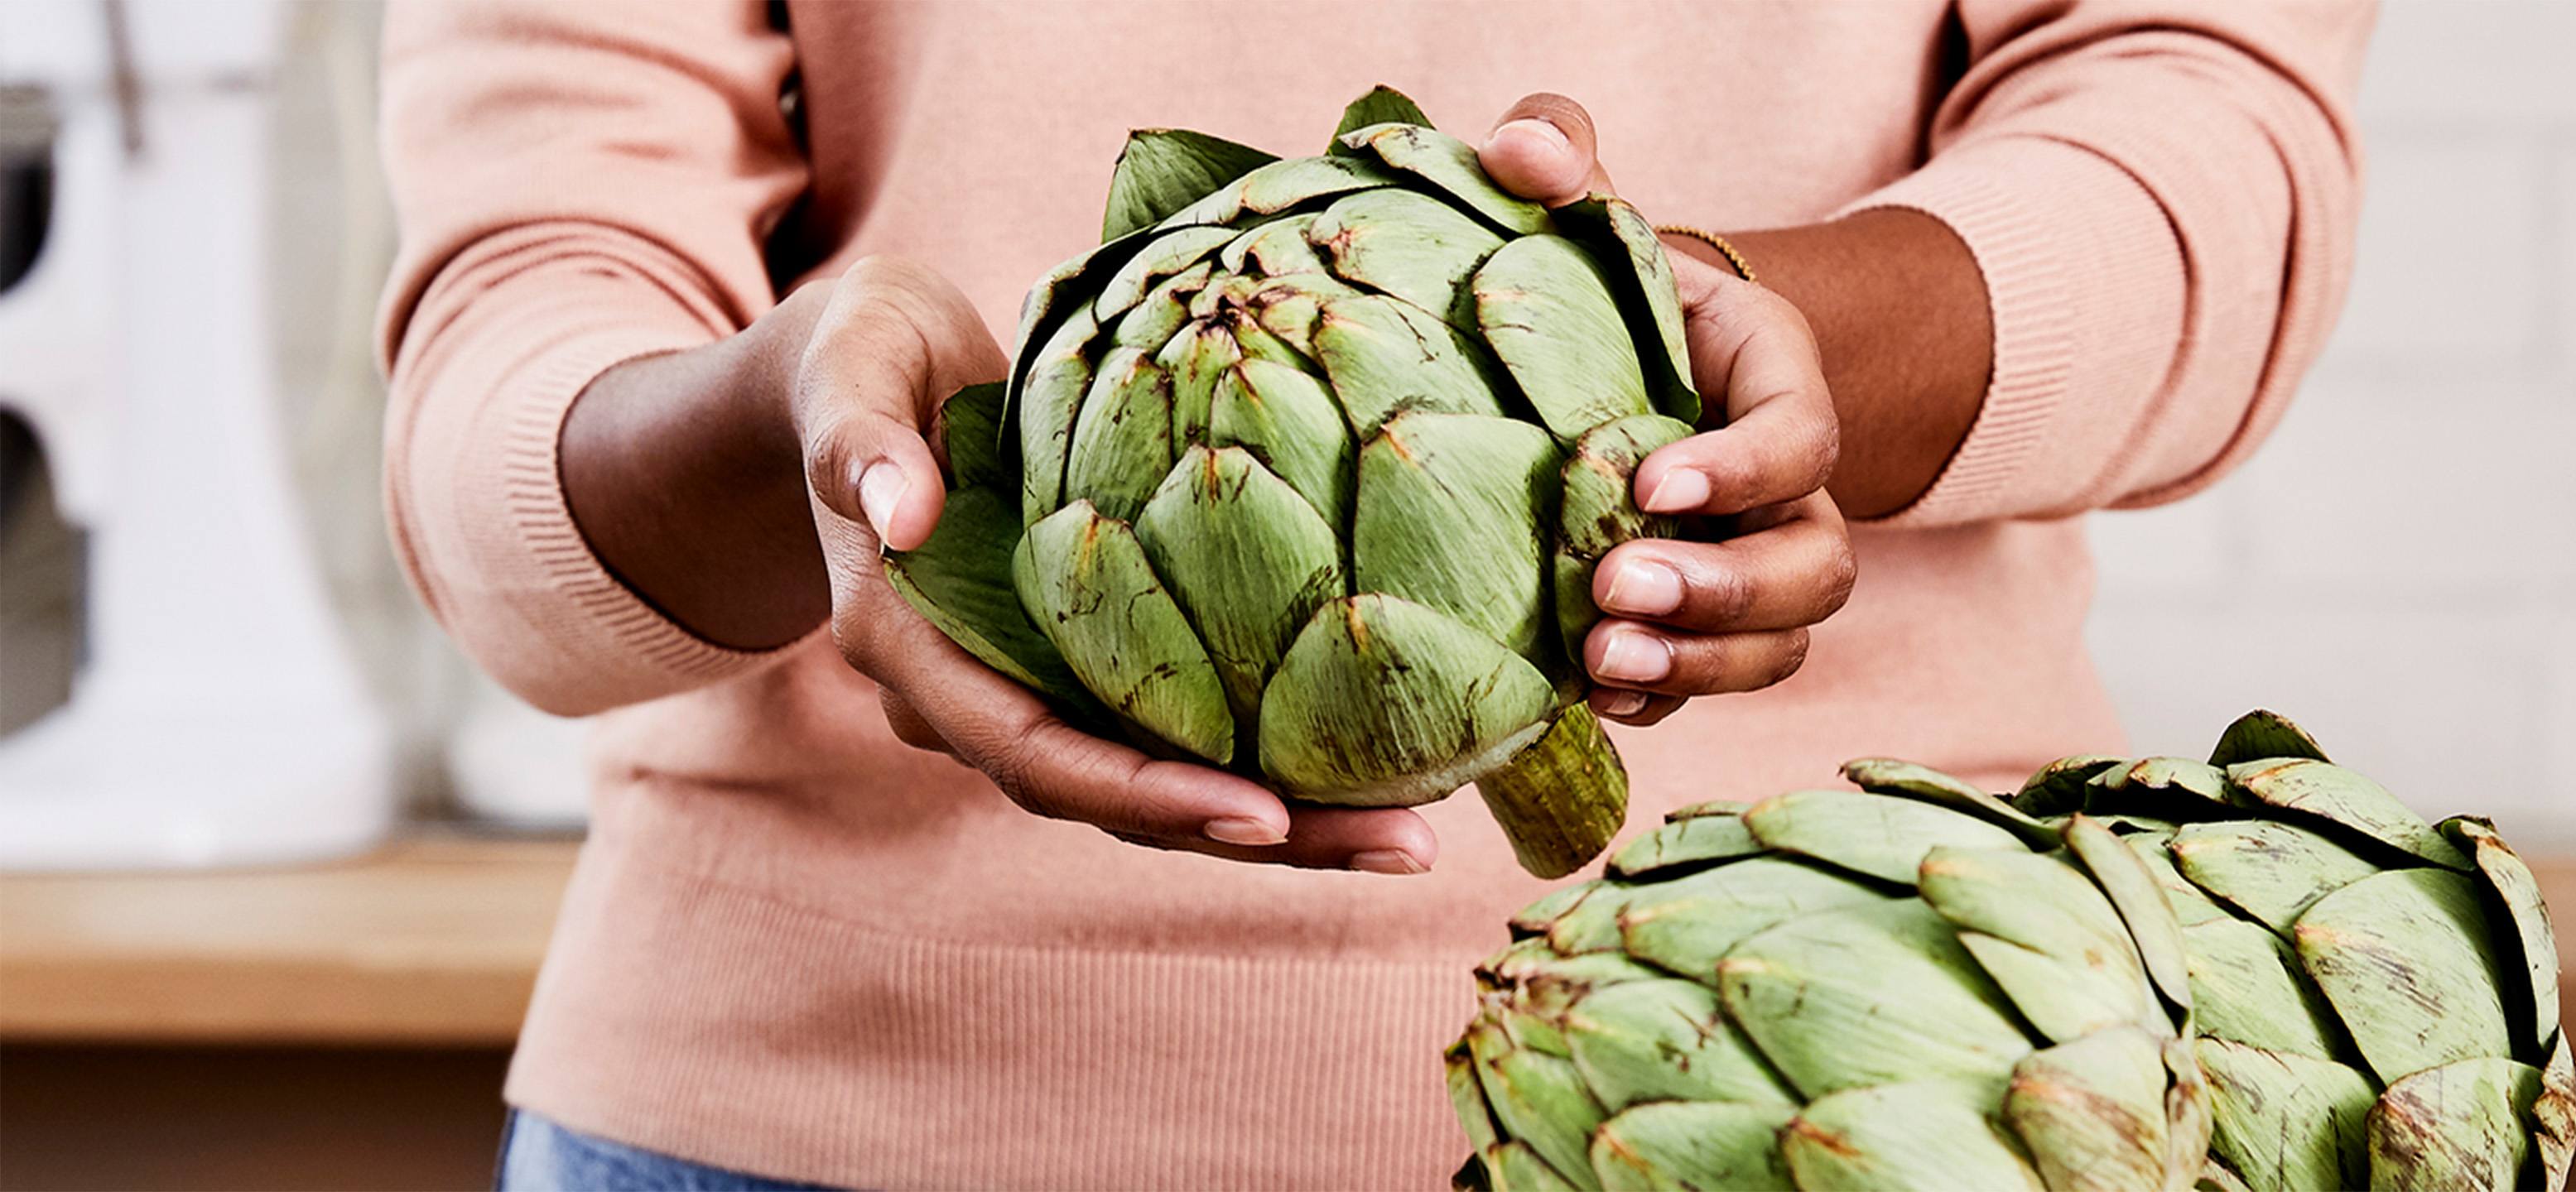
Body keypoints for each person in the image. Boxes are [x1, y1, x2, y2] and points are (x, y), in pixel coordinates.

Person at [378, 2, 2373, 1187]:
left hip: (1909, 1079)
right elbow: (518, 355)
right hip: (797, 1124)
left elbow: (2201, 146)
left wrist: (1682, 342)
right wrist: (801, 439)